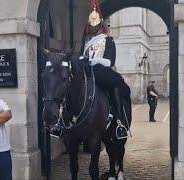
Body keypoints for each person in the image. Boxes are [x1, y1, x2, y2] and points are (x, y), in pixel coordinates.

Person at [50, 0, 129, 139]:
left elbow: (110, 61)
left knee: (115, 82)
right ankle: (60, 123)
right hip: (85, 70)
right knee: (67, 84)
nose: (93, 28)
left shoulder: (108, 40)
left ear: (101, 24)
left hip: (100, 70)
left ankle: (119, 121)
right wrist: (81, 60)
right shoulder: (86, 41)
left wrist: (94, 60)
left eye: (96, 25)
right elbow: (81, 56)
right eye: (91, 25)